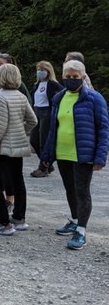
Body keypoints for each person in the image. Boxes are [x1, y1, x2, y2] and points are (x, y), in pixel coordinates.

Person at [41, 60, 109, 250]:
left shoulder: (95, 98)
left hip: (83, 154)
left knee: (82, 191)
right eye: (68, 76)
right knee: (70, 189)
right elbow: (53, 129)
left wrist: (100, 157)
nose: (71, 80)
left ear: (83, 77)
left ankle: (81, 230)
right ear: (63, 76)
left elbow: (103, 129)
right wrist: (47, 154)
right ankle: (75, 219)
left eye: (75, 77)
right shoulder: (59, 97)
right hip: (63, 153)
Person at [0, 64, 38, 236]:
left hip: (2, 148)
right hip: (18, 146)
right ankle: (19, 218)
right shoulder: (21, 96)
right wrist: (21, 132)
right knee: (17, 181)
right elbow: (33, 120)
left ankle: (3, 222)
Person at [29, 61, 63, 177]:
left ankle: (43, 168)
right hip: (36, 112)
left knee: (44, 141)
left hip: (47, 113)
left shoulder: (53, 84)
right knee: (33, 140)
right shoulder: (36, 85)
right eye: (38, 69)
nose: (40, 72)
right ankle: (48, 163)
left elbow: (63, 92)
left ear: (48, 71)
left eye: (43, 69)